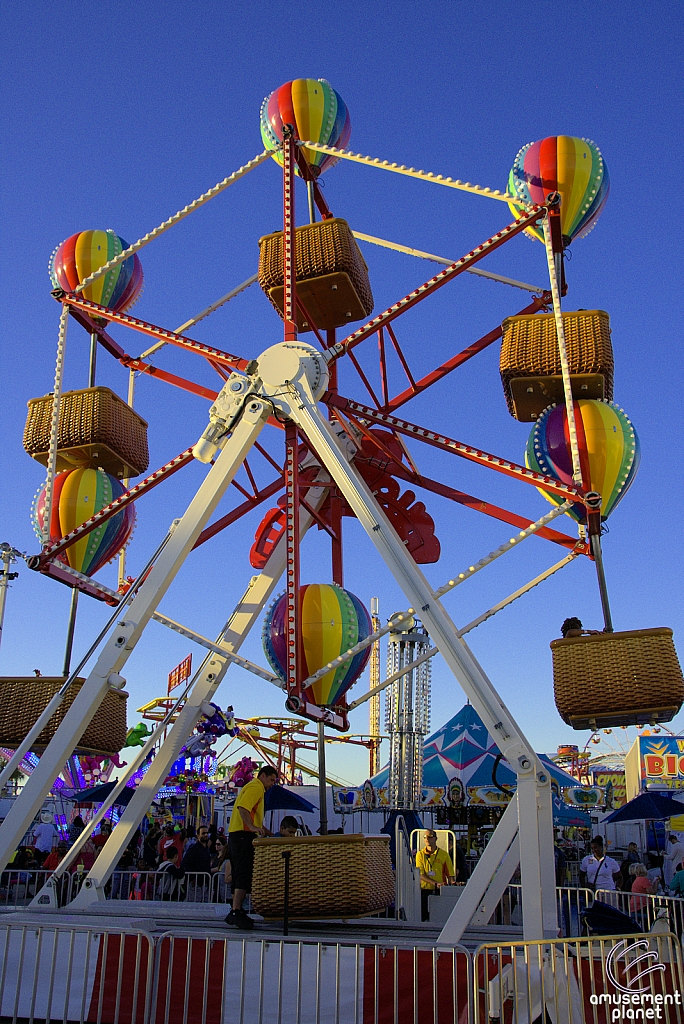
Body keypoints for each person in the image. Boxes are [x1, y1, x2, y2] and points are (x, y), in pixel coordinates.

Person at [225, 765, 278, 930]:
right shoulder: (256, 788)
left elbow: (250, 814)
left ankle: (236, 910)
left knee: (238, 872)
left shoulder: (251, 787)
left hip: (236, 834)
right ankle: (236, 910)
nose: (271, 784)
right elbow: (243, 808)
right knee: (243, 872)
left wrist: (268, 833)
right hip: (243, 836)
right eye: (271, 780)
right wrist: (252, 827)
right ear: (262, 776)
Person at [415, 830, 456, 922]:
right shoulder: (420, 854)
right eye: (425, 837)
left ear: (435, 838)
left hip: (440, 890)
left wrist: (453, 885)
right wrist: (435, 883)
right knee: (423, 916)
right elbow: (421, 874)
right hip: (424, 890)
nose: (427, 839)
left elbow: (450, 875)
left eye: (430, 836)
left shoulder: (443, 854)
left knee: (439, 916)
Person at [181, 824, 213, 901]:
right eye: (203, 833)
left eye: (207, 833)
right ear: (198, 835)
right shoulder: (193, 849)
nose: (206, 835)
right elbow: (184, 863)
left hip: (205, 883)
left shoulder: (206, 849)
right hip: (195, 884)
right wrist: (192, 878)